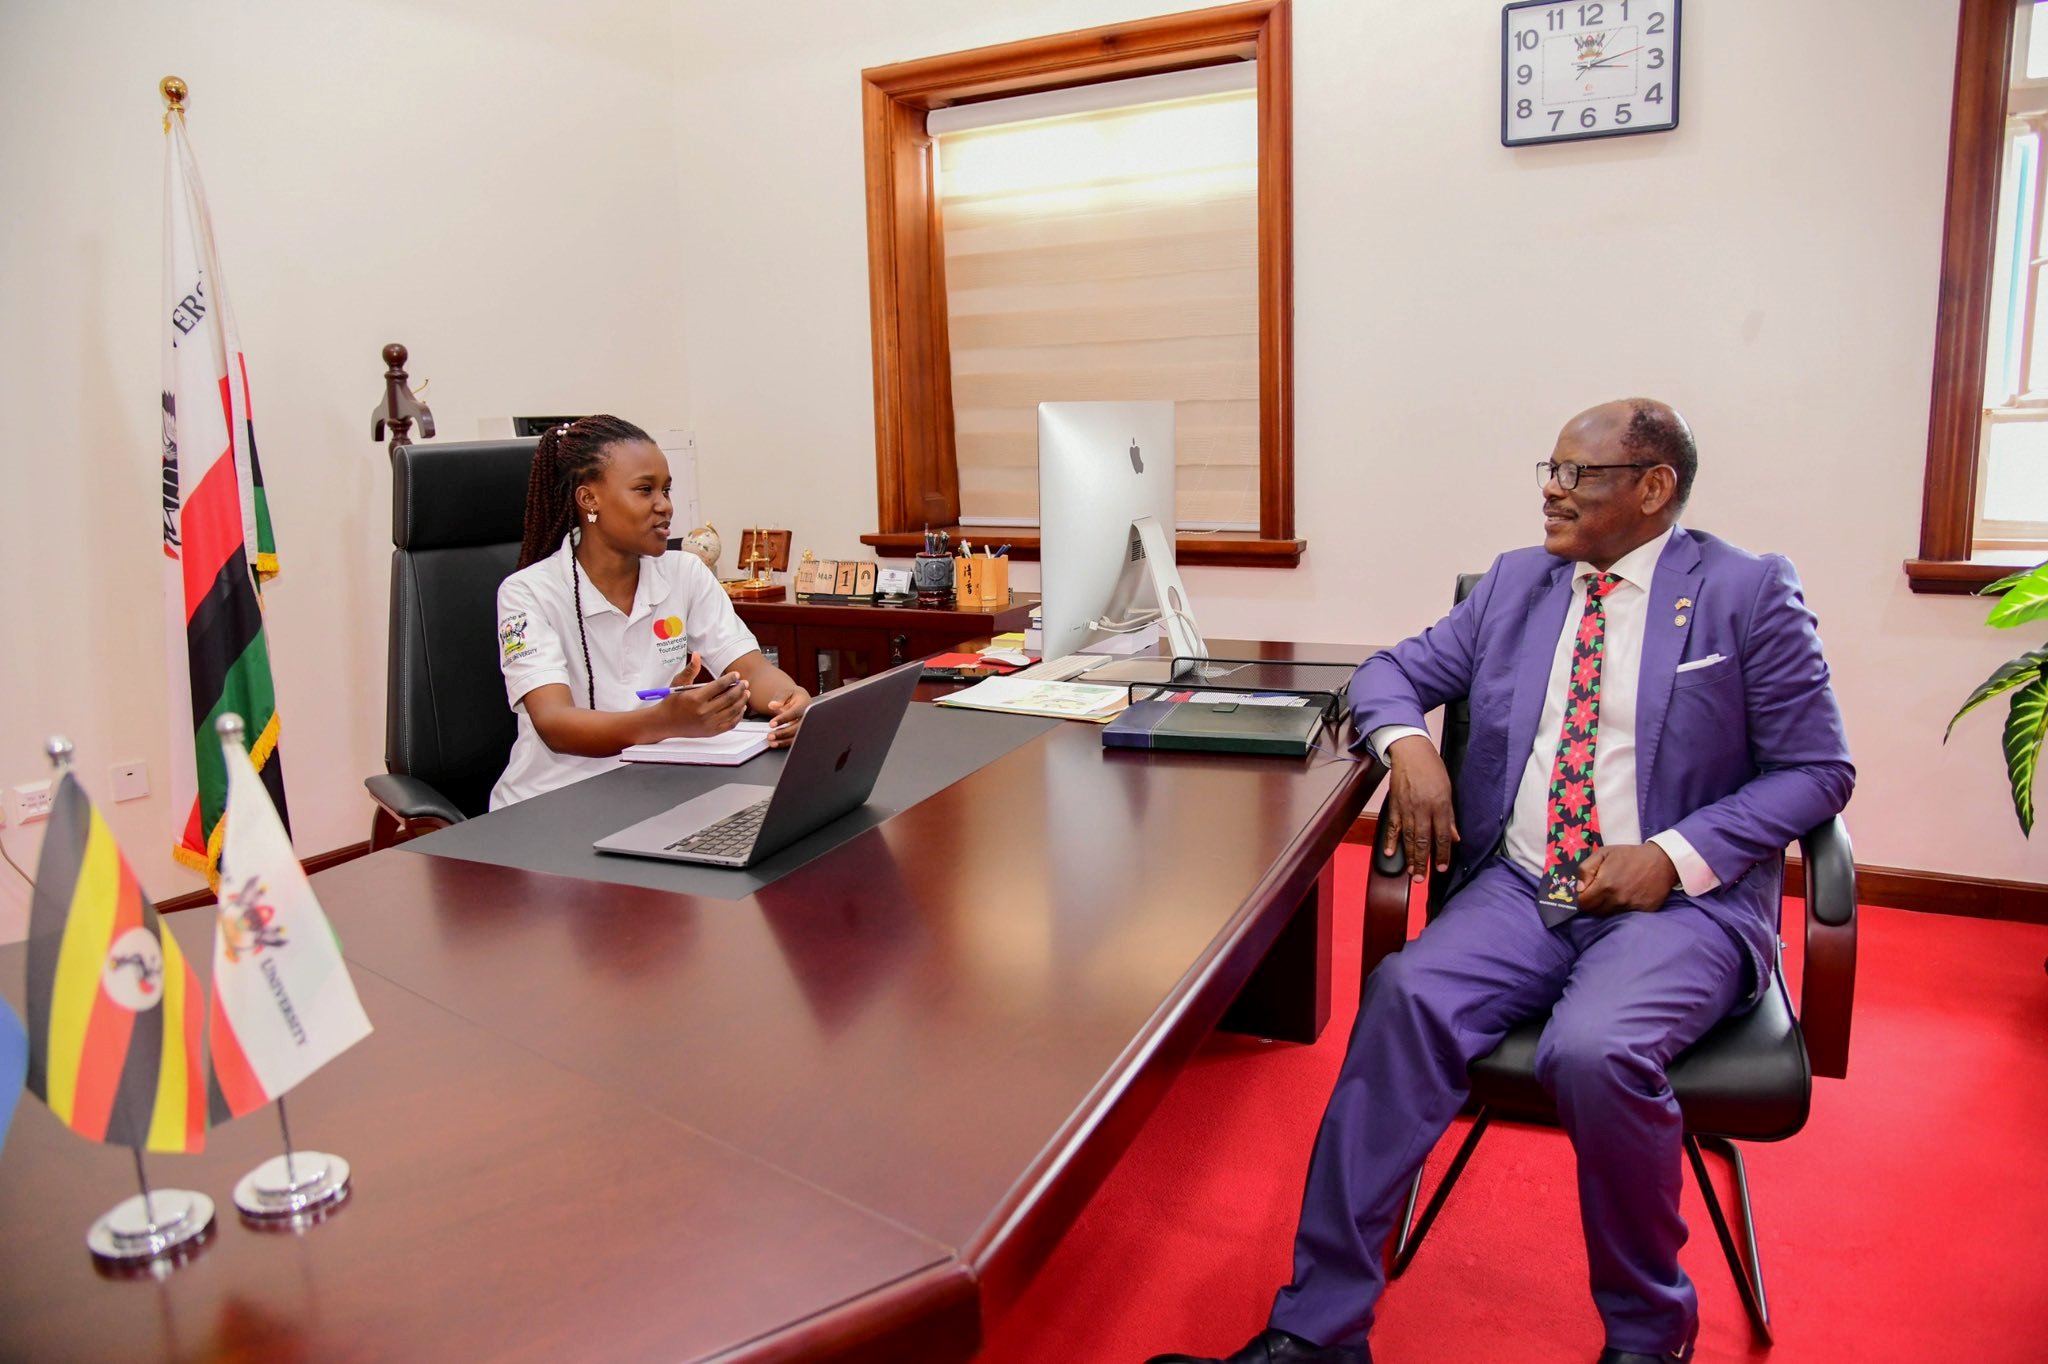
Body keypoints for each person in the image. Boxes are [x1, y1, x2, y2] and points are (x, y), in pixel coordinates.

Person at [1147, 400, 1854, 1364]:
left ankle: (1650, 1338)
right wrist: (1409, 750)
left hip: (1676, 905)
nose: (1554, 492)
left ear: (1655, 489)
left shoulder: (1745, 592)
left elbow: (1819, 772)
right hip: (1523, 887)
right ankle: (1318, 1334)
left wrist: (1675, 855)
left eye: (1581, 475)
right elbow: (1390, 672)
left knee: (1595, 1050)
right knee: (1402, 999)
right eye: (1549, 471)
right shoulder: (1520, 584)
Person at [490, 414, 810, 809]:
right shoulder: (528, 593)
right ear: (589, 499)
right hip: (550, 803)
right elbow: (554, 723)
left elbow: (751, 668)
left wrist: (789, 698)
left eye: (667, 490)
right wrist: (666, 721)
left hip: (653, 789)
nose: (665, 506)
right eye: (645, 490)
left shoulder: (685, 572)